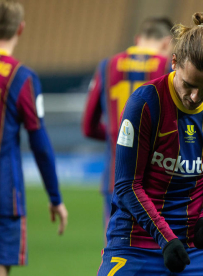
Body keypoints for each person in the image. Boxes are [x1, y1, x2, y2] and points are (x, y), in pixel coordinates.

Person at [96, 12, 203, 275]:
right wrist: (165, 238)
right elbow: (126, 184)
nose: (195, 96)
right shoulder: (145, 102)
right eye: (188, 84)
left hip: (193, 248)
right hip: (135, 242)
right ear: (174, 62)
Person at [82, 17, 173, 237]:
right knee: (161, 251)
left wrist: (122, 138)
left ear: (137, 39)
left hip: (116, 174)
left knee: (117, 250)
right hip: (159, 176)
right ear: (166, 43)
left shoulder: (107, 66)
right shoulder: (167, 66)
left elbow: (88, 127)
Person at [0, 1, 68, 276]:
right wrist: (55, 197)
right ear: (21, 29)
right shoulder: (22, 77)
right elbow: (39, 142)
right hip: (4, 192)